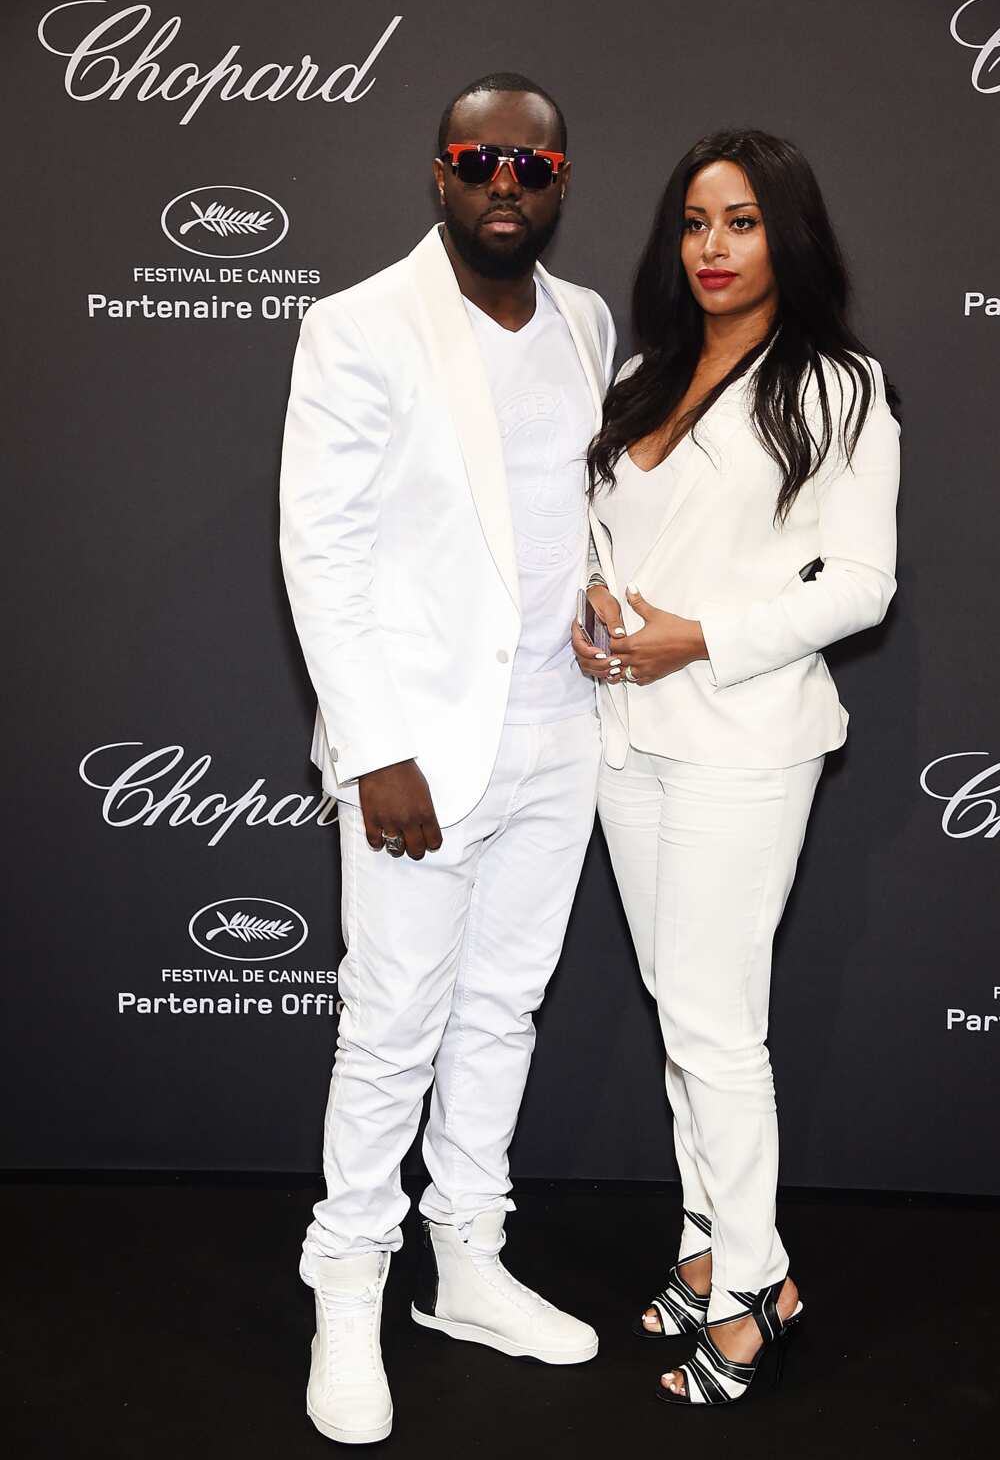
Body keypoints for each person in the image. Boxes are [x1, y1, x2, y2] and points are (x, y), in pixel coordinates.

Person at [279, 72, 616, 1444]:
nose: (504, 185)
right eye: (480, 160)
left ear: (559, 182)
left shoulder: (588, 321)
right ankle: (348, 1284)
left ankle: (464, 1260)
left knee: (504, 1010)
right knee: (392, 1022)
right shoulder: (359, 324)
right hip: (419, 752)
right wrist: (378, 748)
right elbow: (323, 545)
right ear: (438, 173)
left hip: (562, 735)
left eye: (531, 167)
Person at [573, 128, 900, 1406]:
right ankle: (705, 1238)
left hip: (743, 741)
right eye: (696, 222)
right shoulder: (649, 372)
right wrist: (598, 597)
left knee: (716, 1022)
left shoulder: (836, 385)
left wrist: (696, 638)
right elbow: (608, 528)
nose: (713, 246)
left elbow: (862, 588)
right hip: (625, 739)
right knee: (681, 1005)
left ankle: (759, 1279)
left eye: (742, 221)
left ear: (788, 235)